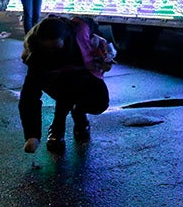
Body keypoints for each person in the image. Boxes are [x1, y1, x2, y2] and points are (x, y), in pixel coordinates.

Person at [19, 15, 115, 154]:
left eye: (55, 48)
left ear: (66, 39)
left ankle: (79, 111)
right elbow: (29, 96)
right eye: (47, 49)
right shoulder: (37, 55)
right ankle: (57, 127)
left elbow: (101, 34)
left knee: (99, 103)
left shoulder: (80, 35)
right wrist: (32, 136)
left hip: (84, 77)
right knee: (66, 86)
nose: (52, 53)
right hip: (57, 83)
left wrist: (105, 55)